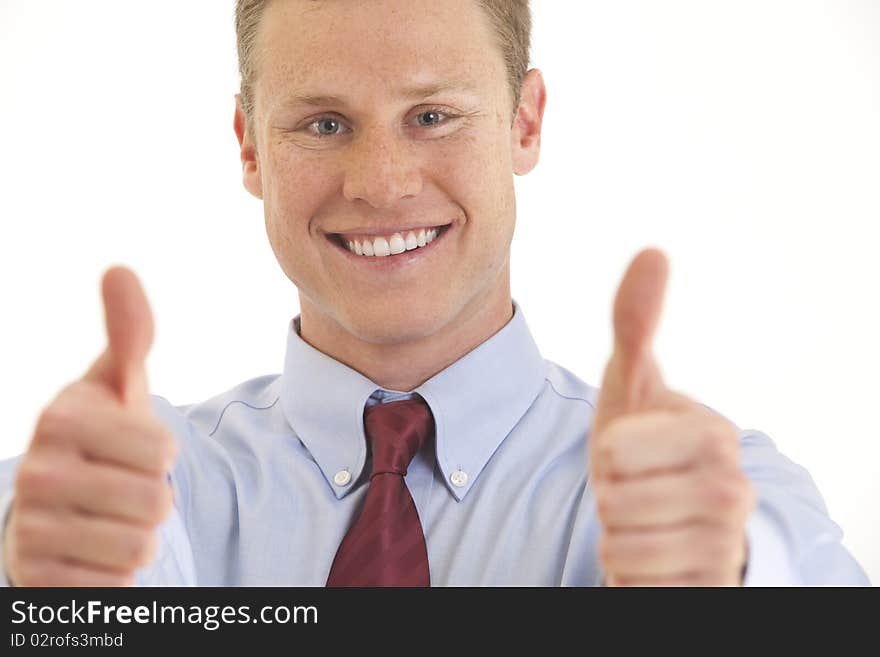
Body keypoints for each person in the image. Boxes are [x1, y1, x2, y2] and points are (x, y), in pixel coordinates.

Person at [0, 0, 869, 587]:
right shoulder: (131, 485)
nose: (381, 183)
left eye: (432, 116)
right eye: (323, 123)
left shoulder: (706, 487)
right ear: (250, 146)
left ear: (525, 123)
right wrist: (39, 587)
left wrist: (732, 583)